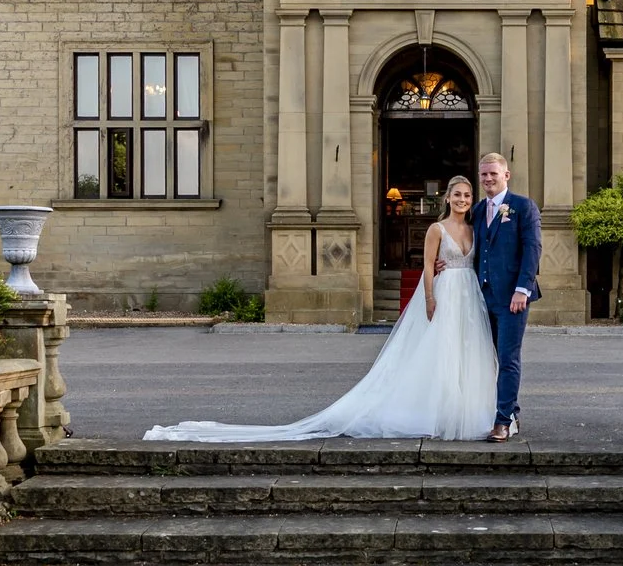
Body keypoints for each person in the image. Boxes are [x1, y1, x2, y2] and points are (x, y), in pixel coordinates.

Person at [144, 175, 496, 442]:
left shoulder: (476, 226)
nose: (463, 199)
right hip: (446, 294)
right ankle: (438, 411)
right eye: (457, 194)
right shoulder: (437, 228)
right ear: (446, 197)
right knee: (439, 352)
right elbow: (427, 266)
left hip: (469, 296)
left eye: (467, 195)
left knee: (467, 353)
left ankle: (463, 410)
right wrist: (430, 298)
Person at [471, 151, 539, 442]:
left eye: (493, 174)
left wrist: (522, 289)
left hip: (513, 299)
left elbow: (532, 248)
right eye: (484, 174)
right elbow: (467, 247)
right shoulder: (475, 211)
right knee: (489, 359)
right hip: (481, 297)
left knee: (508, 358)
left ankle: (502, 422)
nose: (488, 179)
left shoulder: (523, 207)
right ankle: (511, 411)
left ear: (506, 175)